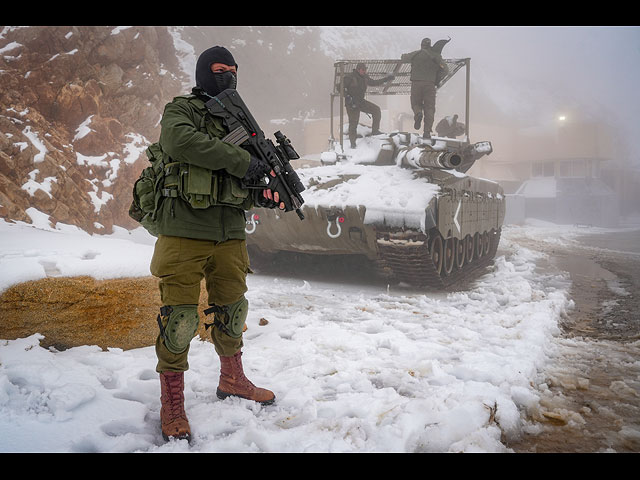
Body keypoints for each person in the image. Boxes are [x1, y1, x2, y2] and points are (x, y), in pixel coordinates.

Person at [150, 45, 280, 443]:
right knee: (181, 318)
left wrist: (265, 190)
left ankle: (232, 378)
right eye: (219, 69)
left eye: (233, 70)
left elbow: (242, 179)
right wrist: (245, 163)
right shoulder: (181, 110)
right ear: (204, 73)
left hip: (230, 231)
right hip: (185, 228)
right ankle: (172, 403)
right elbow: (181, 144)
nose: (227, 76)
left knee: (233, 310)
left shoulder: (238, 120)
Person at [400, 38, 447, 139]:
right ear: (430, 45)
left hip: (416, 83)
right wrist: (437, 79)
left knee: (415, 103)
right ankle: (427, 132)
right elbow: (445, 70)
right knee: (429, 108)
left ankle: (418, 113)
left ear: (421, 45)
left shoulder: (416, 54)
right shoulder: (436, 56)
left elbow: (403, 58)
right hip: (430, 85)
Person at [343, 63, 394, 149]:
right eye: (363, 70)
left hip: (360, 102)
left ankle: (375, 131)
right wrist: (347, 96)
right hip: (351, 103)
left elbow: (374, 82)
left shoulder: (365, 78)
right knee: (353, 123)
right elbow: (339, 87)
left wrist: (387, 79)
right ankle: (353, 143)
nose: (364, 71)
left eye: (365, 69)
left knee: (376, 110)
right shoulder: (350, 77)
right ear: (358, 69)